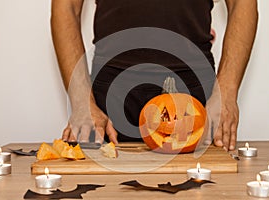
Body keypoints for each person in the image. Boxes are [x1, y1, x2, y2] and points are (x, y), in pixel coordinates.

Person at [51, 0, 258, 151]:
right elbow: (66, 6)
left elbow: (243, 3)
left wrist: (226, 95)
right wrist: (82, 104)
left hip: (194, 100)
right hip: (109, 101)